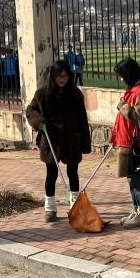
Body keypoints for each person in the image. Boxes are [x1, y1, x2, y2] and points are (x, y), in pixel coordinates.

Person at [25, 60, 91, 222]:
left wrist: (85, 142)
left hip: (71, 139)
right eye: (59, 76)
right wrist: (39, 122)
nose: (63, 79)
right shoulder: (42, 93)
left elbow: (83, 119)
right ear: (53, 76)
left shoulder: (75, 94)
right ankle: (50, 207)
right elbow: (30, 110)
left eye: (66, 76)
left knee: (73, 173)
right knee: (52, 173)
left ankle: (74, 206)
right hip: (51, 139)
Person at [112, 57, 140, 229]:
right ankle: (137, 208)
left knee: (139, 177)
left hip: (137, 143)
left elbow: (139, 117)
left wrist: (123, 106)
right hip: (127, 141)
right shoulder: (132, 91)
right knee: (132, 178)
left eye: (122, 76)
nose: (121, 79)